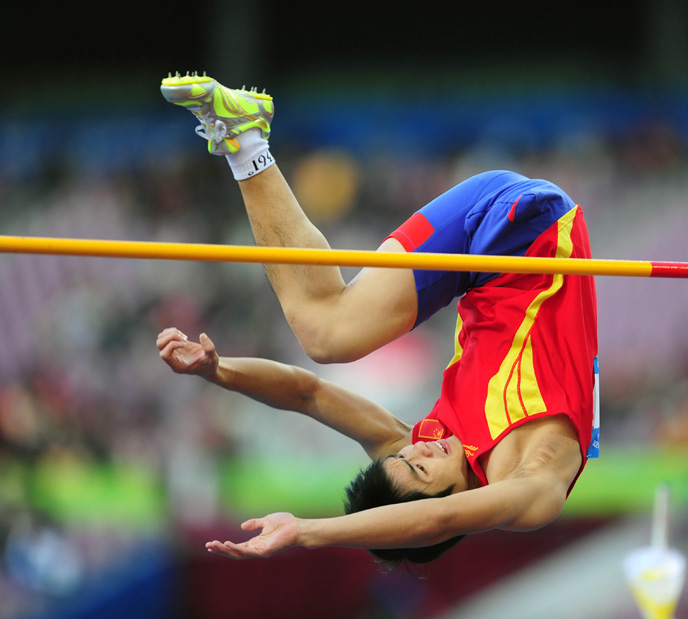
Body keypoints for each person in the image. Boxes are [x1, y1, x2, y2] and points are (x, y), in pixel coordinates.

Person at [156, 73, 599, 567]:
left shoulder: (424, 443)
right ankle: (245, 138)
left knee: (324, 336)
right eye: (422, 469)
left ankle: (246, 140)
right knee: (329, 332)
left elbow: (308, 393)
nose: (421, 450)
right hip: (531, 233)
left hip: (477, 251)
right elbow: (434, 520)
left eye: (405, 459)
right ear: (449, 507)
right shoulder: (532, 483)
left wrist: (218, 371)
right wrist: (307, 530)